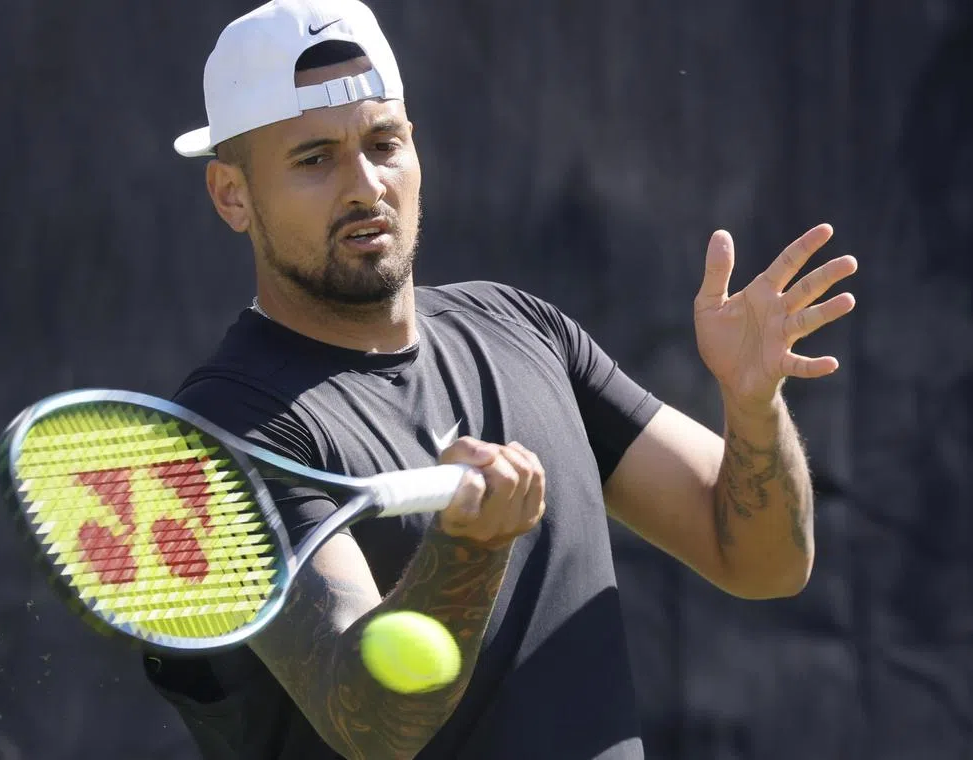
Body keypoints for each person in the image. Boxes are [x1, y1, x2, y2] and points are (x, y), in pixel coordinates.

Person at [143, 0, 859, 758]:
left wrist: (752, 407)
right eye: (313, 159)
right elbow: (368, 722)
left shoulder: (525, 328)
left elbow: (765, 562)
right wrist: (470, 552)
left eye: (383, 143)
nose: (365, 186)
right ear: (233, 194)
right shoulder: (220, 431)